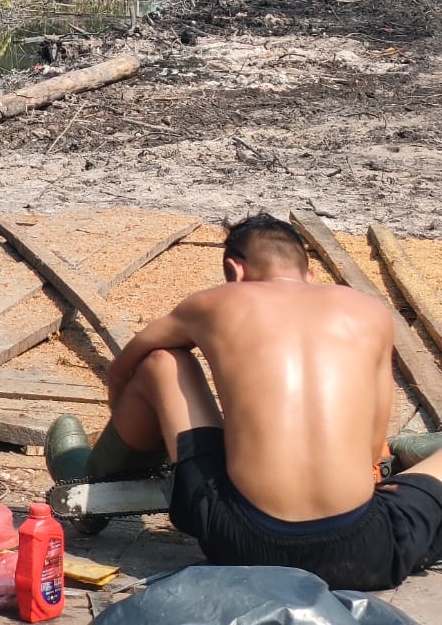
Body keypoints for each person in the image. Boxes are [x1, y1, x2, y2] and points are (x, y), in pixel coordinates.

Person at [45, 213, 442, 591]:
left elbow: (122, 370)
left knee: (163, 362)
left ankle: (95, 477)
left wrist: (155, 437)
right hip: (364, 552)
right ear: (311, 275)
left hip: (242, 541)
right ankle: (414, 454)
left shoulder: (215, 302)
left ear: (235, 271)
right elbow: (373, 451)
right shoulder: (372, 312)